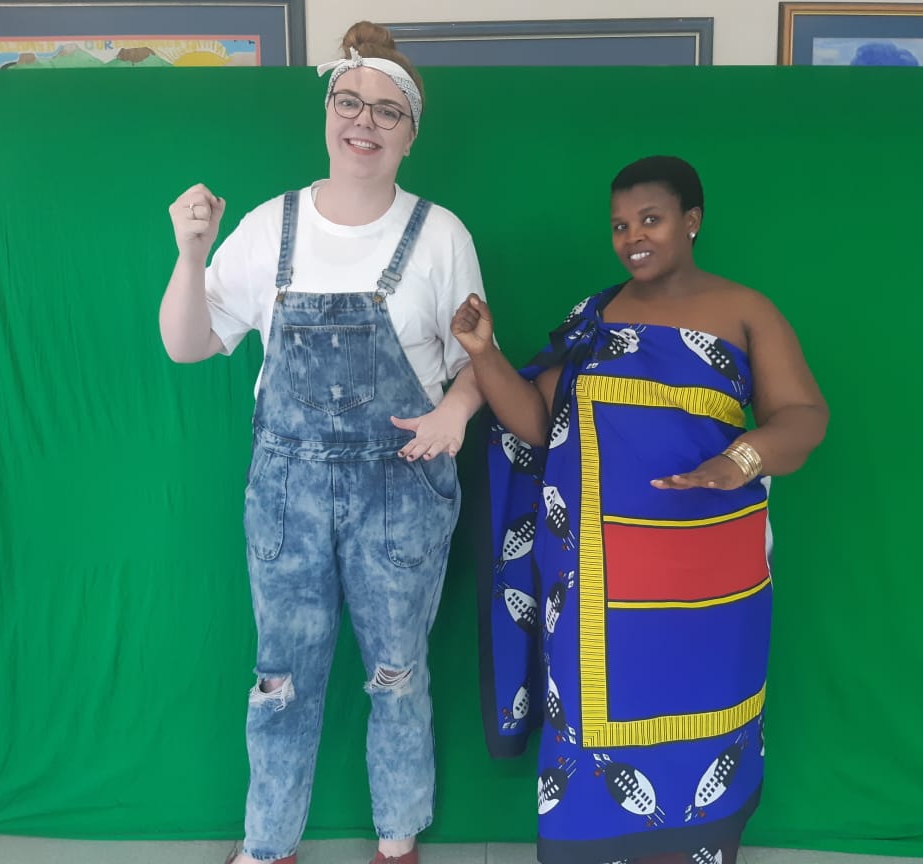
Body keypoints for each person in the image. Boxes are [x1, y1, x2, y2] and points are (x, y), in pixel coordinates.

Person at [159, 21, 487, 864]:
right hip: (287, 497)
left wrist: (455, 414)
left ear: (411, 133)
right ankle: (268, 844)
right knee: (280, 681)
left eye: (387, 110)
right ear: (328, 111)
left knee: (399, 675)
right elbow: (189, 344)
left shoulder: (441, 236)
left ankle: (397, 839)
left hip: (401, 493)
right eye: (350, 102)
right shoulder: (269, 226)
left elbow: (476, 361)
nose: (364, 122)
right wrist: (191, 255)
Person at [452, 155, 828, 864]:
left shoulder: (746, 310)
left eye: (650, 219)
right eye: (620, 226)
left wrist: (738, 461)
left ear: (692, 221)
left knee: (706, 715)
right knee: (590, 724)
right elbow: (536, 425)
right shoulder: (594, 321)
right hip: (590, 586)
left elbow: (804, 416)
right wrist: (482, 352)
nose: (633, 238)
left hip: (709, 577)